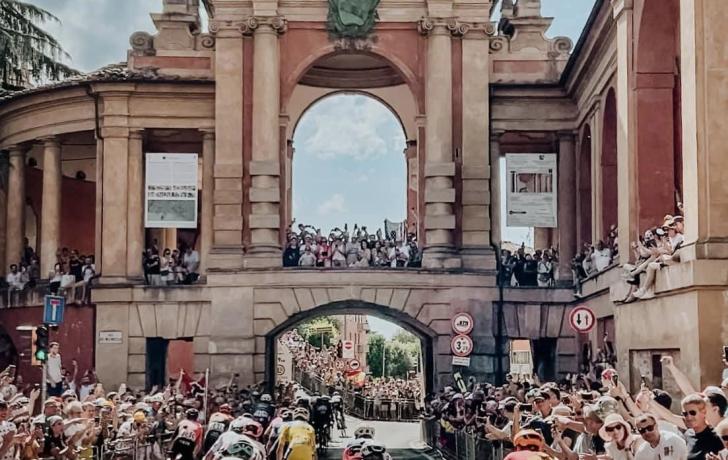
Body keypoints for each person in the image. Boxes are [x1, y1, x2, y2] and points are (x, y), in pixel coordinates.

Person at [682, 394, 723, 460]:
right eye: (685, 414)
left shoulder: (717, 436)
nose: (689, 417)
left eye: (693, 413)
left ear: (703, 412)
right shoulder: (688, 434)